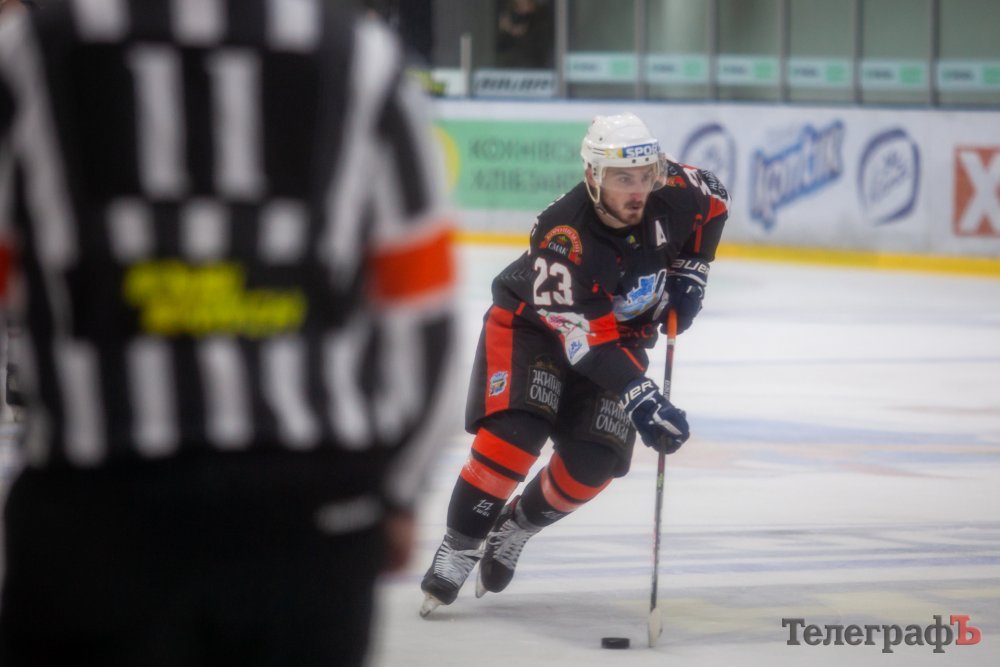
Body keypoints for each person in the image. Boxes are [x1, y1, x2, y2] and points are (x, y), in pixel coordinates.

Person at [0, 1, 456, 665]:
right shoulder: (360, 57)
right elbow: (423, 317)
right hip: (310, 517)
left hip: (94, 509)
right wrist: (394, 492)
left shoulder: (33, 53)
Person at [420, 112, 729, 616]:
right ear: (593, 176)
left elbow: (716, 195)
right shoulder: (563, 235)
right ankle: (461, 544)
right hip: (533, 330)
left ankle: (516, 527)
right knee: (514, 436)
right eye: (622, 179)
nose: (637, 191)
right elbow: (584, 344)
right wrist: (639, 393)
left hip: (618, 339)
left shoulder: (675, 191)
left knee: (593, 464)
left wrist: (694, 266)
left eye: (644, 176)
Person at [496, 0, 554, 69]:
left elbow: (540, 48)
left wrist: (515, 31)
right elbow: (499, 49)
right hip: (509, 68)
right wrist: (506, 30)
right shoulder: (510, 15)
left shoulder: (542, 17)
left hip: (535, 68)